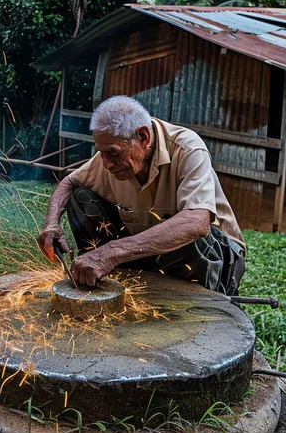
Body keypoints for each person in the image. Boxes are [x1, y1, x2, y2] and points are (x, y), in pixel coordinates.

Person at [37, 96, 245, 295]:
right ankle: (114, 280)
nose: (107, 164)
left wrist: (111, 252)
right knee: (81, 196)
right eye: (102, 153)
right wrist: (51, 223)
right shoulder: (112, 152)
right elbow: (69, 183)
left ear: (143, 137)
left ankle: (198, 298)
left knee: (183, 231)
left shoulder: (187, 147)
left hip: (217, 255)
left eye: (113, 154)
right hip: (155, 254)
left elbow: (196, 223)